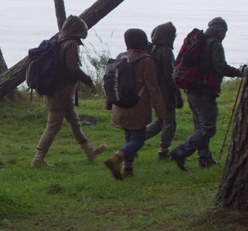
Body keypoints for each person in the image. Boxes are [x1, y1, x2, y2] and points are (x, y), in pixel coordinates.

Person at [170, 17, 248, 170]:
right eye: (224, 32)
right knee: (208, 128)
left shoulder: (199, 41)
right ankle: (181, 151)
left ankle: (205, 159)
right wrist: (241, 72)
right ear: (221, 31)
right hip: (204, 92)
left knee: (200, 127)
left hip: (192, 90)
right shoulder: (215, 44)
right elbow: (221, 67)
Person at [31, 15, 107, 168]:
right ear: (78, 30)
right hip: (61, 92)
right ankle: (38, 159)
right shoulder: (71, 43)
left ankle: (89, 150)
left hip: (57, 90)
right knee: (53, 126)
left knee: (74, 121)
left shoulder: (59, 40)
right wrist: (89, 81)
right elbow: (72, 68)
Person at [104, 28, 168, 180]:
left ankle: (128, 169)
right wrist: (161, 112)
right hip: (137, 107)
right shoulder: (146, 61)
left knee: (129, 137)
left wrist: (109, 105)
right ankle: (116, 158)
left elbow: (110, 83)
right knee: (138, 140)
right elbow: (153, 88)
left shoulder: (120, 56)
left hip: (119, 105)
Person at [145, 22, 184, 159]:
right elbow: (169, 75)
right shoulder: (165, 51)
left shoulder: (151, 49)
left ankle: (135, 140)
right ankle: (163, 150)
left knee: (160, 121)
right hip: (165, 92)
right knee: (169, 121)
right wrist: (177, 94)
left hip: (154, 91)